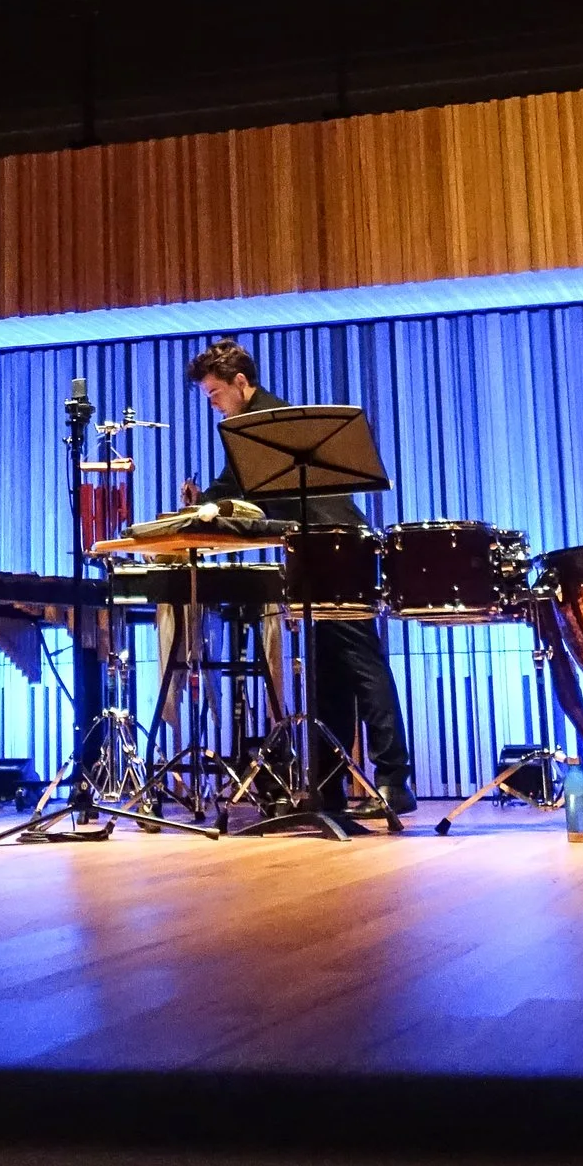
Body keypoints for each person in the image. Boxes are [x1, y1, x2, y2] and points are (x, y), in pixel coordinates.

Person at [181, 340, 417, 818]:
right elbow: (236, 485)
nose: (213, 404)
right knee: (328, 672)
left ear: (240, 383)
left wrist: (204, 506)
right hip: (316, 549)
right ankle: (329, 787)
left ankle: (394, 782)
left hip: (336, 546)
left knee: (361, 664)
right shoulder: (256, 425)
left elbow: (240, 486)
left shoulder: (264, 425)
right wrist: (204, 501)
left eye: (214, 394)